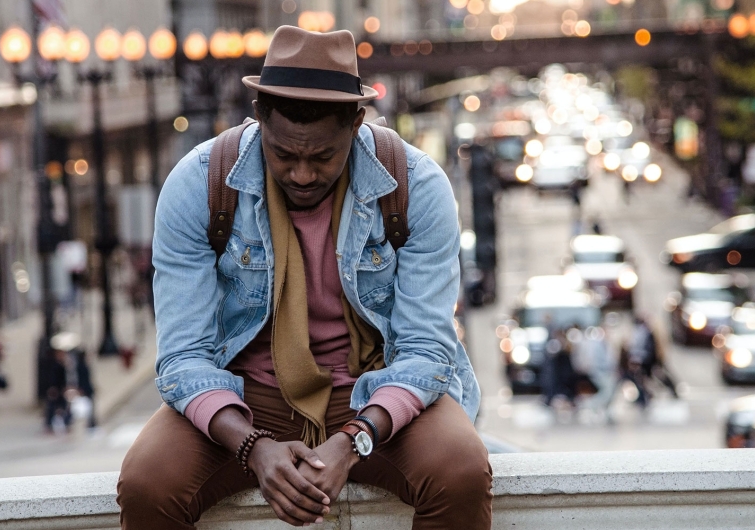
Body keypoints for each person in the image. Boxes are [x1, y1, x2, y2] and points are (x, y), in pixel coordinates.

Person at [117, 26, 491, 530]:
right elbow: (183, 356)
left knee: (460, 471)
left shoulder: (415, 186)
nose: (301, 175)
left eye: (322, 157)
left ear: (356, 124)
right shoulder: (199, 183)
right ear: (259, 116)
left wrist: (354, 438)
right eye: (284, 155)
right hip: (244, 395)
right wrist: (252, 447)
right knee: (148, 484)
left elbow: (426, 350)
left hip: (374, 389)